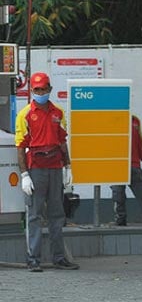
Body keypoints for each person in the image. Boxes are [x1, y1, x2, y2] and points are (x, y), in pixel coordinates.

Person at [16, 72, 80, 272]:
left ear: (50, 89)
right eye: (37, 89)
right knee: (34, 215)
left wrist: (68, 166)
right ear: (32, 91)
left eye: (44, 89)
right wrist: (24, 175)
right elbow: (20, 146)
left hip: (55, 167)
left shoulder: (58, 112)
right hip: (35, 168)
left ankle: (59, 258)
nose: (41, 92)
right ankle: (33, 259)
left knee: (57, 214)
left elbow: (62, 141)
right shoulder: (25, 114)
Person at [111, 115, 142, 226]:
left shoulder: (134, 121)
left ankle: (123, 219)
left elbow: (139, 145)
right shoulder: (130, 122)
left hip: (128, 166)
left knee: (138, 195)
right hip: (124, 166)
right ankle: (123, 219)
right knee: (124, 196)